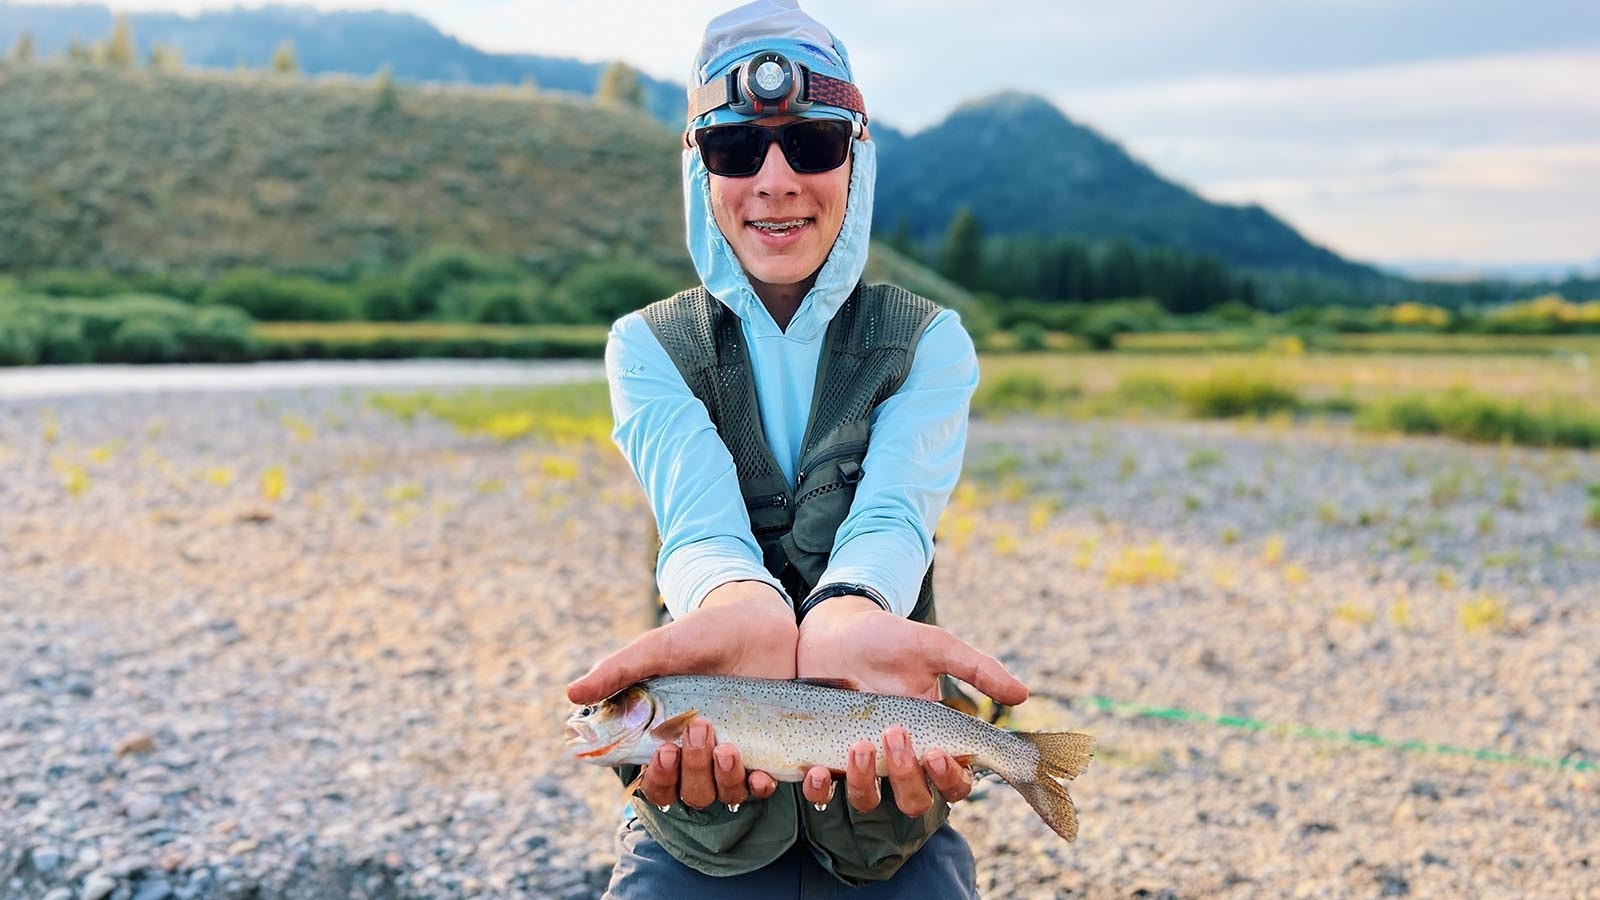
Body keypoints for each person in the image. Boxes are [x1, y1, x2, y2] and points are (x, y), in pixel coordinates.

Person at [566, 1, 1029, 895]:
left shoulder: (931, 341)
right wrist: (738, 602)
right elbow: (698, 526)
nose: (775, 181)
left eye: (812, 144)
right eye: (736, 150)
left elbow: (895, 512)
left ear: (857, 159)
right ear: (698, 170)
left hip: (888, 820)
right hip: (697, 831)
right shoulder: (645, 345)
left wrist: (851, 610)